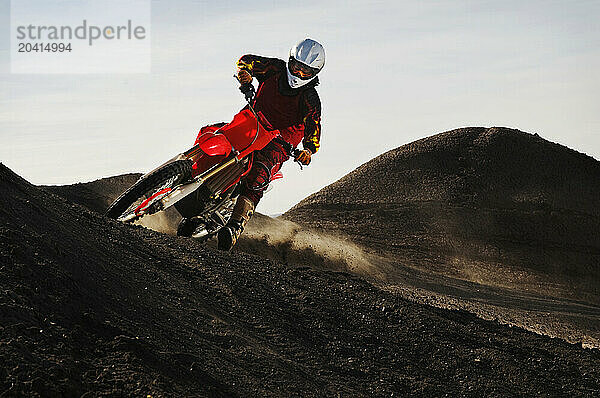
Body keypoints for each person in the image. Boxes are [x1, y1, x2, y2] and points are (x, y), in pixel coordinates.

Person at [216, 38, 325, 251]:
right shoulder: (274, 68)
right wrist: (245, 73)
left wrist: (308, 150)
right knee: (216, 134)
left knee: (259, 173)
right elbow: (245, 60)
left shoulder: (311, 98)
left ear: (314, 73)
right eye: (296, 67)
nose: (299, 74)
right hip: (253, 121)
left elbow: (314, 128)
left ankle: (235, 226)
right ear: (290, 61)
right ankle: (183, 173)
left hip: (280, 141)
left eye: (306, 71)